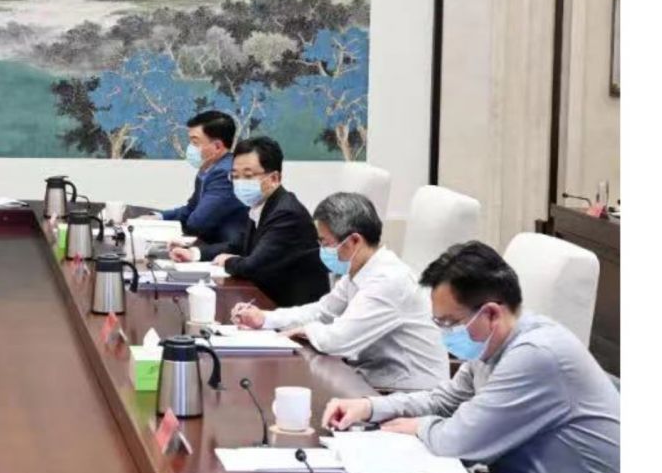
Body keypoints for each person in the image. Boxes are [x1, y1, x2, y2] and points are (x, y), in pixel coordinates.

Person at [324, 239, 621, 473]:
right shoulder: (492, 343)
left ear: (490, 313)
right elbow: (443, 400)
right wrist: (369, 407)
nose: (445, 334)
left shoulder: (536, 355)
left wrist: (419, 427)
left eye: (450, 323)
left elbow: (458, 442)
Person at [238, 188, 447, 395]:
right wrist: (265, 318)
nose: (322, 250)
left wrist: (305, 330)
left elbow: (338, 341)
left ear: (354, 241)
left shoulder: (388, 280)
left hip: (407, 393)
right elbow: (322, 311)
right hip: (373, 379)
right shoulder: (359, 271)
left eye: (325, 243)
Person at [204, 132, 329, 306]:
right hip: (266, 297)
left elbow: (252, 266)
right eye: (235, 176)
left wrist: (227, 261)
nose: (239, 183)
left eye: (248, 176)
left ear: (274, 178)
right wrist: (194, 253)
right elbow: (237, 246)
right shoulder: (261, 204)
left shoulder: (286, 214)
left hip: (289, 307)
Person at [160, 107, 250, 254]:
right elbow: (190, 209)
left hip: (226, 252)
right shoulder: (208, 168)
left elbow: (198, 222)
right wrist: (158, 217)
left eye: (195, 142)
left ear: (217, 146)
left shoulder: (224, 173)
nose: (190, 148)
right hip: (211, 247)